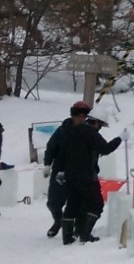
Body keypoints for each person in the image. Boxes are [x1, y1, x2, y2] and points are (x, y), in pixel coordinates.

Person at [46, 99, 121, 245]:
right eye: (100, 125)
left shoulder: (71, 131)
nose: (100, 128)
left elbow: (62, 153)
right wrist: (119, 140)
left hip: (69, 176)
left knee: (73, 204)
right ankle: (85, 234)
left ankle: (68, 237)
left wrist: (60, 170)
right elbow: (105, 149)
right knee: (96, 204)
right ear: (96, 122)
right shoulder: (91, 133)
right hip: (86, 177)